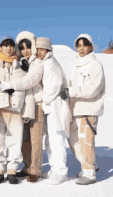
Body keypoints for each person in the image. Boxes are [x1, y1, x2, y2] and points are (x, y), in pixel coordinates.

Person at [0, 31, 44, 183]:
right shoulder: (23, 62)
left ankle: (35, 170)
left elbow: (30, 81)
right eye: (22, 47)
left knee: (35, 138)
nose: (26, 50)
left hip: (37, 103)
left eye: (29, 47)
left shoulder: (37, 62)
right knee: (24, 139)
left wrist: (9, 85)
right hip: (23, 106)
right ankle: (27, 166)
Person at [0, 36, 35, 184]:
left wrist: (27, 111)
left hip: (15, 109)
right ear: (0, 48)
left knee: (15, 141)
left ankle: (12, 169)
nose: (8, 48)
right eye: (5, 45)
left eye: (11, 46)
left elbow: (27, 89)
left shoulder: (20, 65)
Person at [61, 34, 105, 185]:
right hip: (75, 109)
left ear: (91, 47)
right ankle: (89, 165)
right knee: (73, 139)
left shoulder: (95, 65)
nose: (81, 48)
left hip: (89, 109)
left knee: (87, 141)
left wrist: (72, 91)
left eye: (84, 45)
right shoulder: (76, 64)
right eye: (78, 45)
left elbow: (93, 89)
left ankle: (89, 173)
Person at [36, 37, 71, 185]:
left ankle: (61, 171)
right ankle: (54, 168)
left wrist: (42, 99)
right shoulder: (46, 62)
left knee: (57, 139)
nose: (39, 52)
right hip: (50, 106)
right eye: (37, 49)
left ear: (48, 50)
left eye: (42, 49)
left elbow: (53, 87)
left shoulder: (51, 63)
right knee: (50, 140)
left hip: (55, 105)